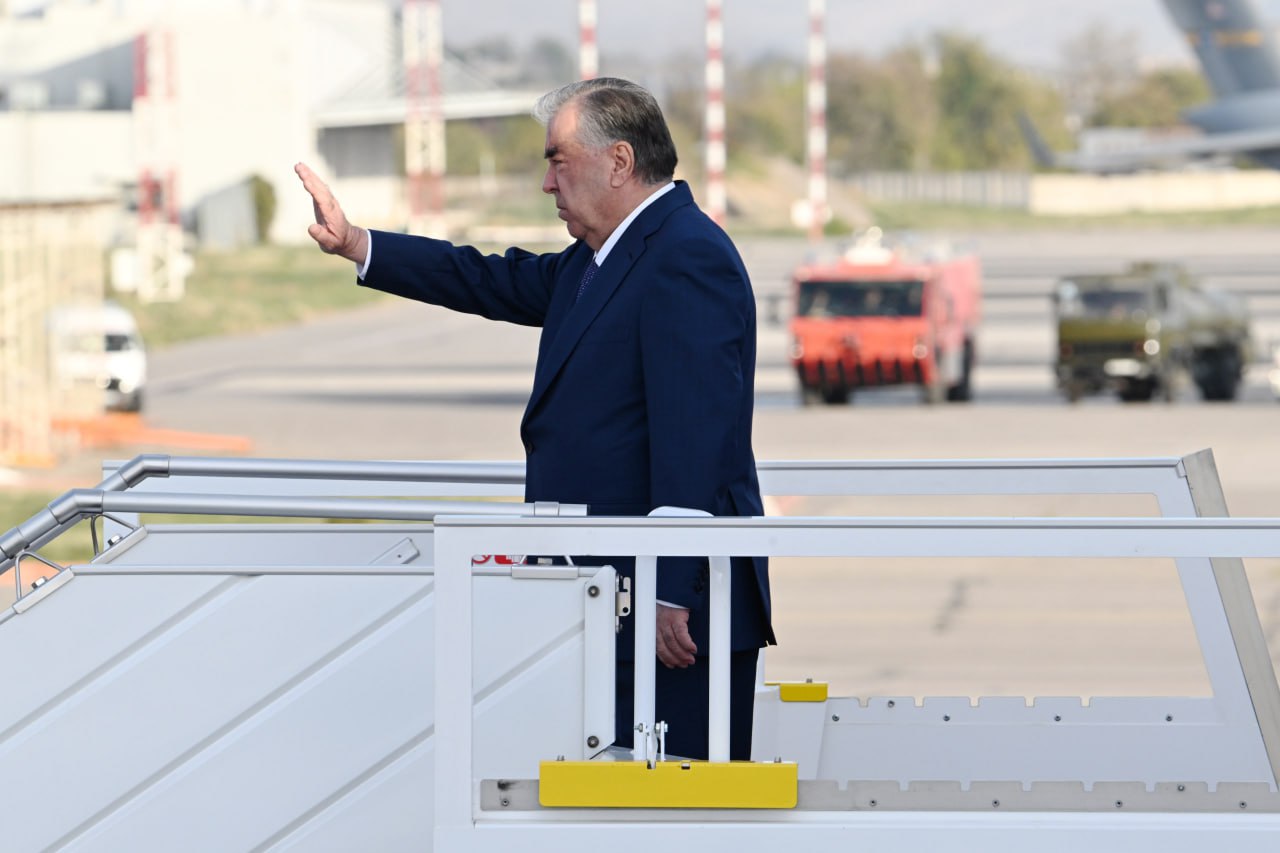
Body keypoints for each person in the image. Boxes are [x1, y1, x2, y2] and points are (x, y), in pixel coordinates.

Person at [296, 77, 773, 762]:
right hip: (609, 599)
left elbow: (695, 435)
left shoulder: (686, 256)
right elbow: (484, 278)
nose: (548, 183)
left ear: (619, 161)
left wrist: (670, 588)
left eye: (558, 160)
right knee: (604, 804)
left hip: (669, 617)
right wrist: (358, 244)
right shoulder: (601, 258)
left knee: (672, 806)